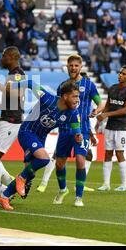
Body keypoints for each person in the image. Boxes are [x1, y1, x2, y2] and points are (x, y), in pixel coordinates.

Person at [0, 80, 83, 211]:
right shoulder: (47, 98)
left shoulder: (72, 113)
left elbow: (77, 130)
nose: (77, 100)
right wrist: (13, 85)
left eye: (78, 96)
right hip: (27, 132)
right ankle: (20, 178)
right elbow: (30, 83)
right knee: (44, 159)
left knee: (31, 174)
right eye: (75, 96)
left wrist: (78, 136)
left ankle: (4, 196)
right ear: (65, 96)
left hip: (41, 138)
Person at [37, 55, 105, 196]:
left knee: (81, 160)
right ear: (67, 66)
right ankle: (63, 190)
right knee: (60, 163)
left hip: (83, 129)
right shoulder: (62, 87)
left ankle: (79, 197)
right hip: (65, 129)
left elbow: (101, 102)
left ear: (80, 67)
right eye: (71, 65)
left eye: (76, 65)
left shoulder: (89, 85)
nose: (73, 68)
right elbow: (58, 106)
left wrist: (97, 110)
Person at [0, 46, 26, 206]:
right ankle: (10, 184)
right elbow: (12, 100)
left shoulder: (17, 74)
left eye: (4, 55)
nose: (1, 58)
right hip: (8, 118)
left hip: (10, 121)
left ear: (11, 57)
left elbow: (17, 95)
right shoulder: (13, 74)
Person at [97, 66, 126, 192]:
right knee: (107, 153)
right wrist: (100, 115)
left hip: (123, 127)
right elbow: (108, 105)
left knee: (119, 153)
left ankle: (125, 184)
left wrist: (107, 115)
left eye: (124, 74)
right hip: (110, 126)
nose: (120, 75)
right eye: (120, 73)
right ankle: (106, 184)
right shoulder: (112, 88)